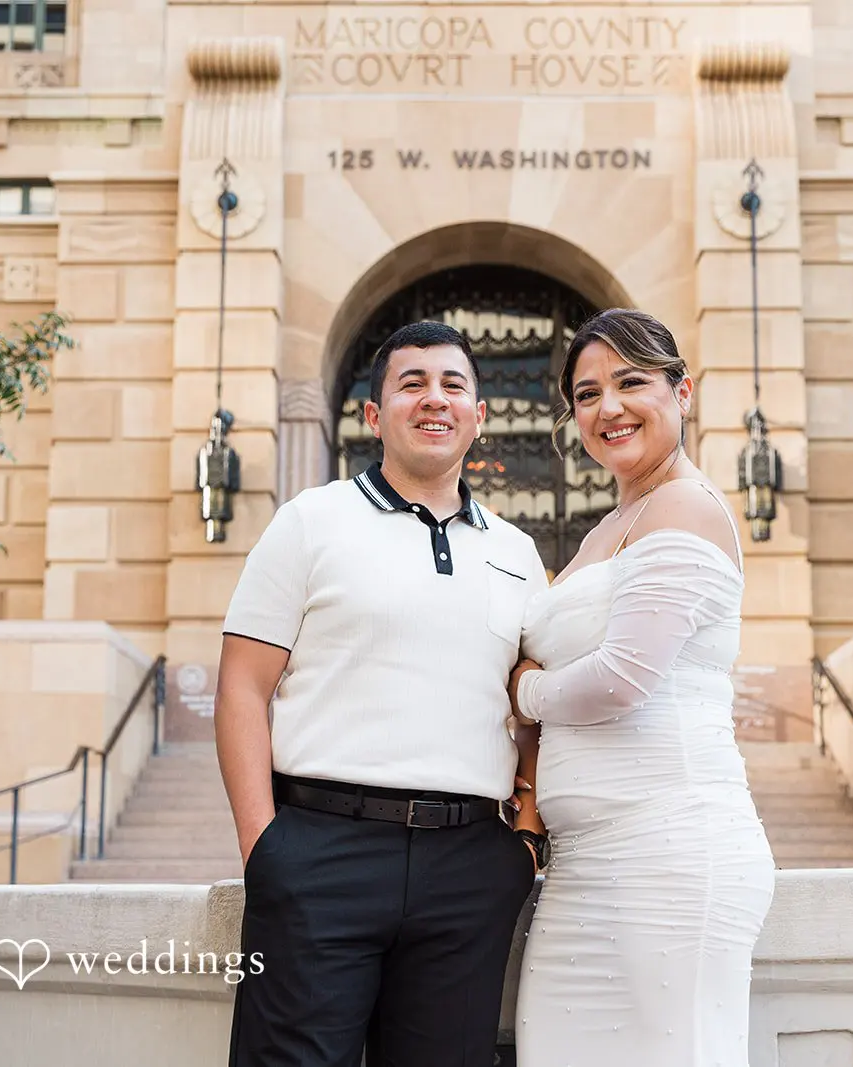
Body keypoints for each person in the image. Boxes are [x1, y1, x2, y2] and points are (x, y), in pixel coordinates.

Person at [214, 320, 550, 1067]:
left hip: (469, 863)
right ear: (374, 415)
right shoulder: (310, 522)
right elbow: (241, 685)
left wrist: (523, 839)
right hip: (319, 849)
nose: (435, 399)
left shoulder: (517, 552)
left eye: (453, 385)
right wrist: (263, 846)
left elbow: (535, 706)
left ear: (479, 413)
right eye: (412, 383)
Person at [507, 307, 776, 1065]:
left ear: (682, 393)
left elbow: (622, 681)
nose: (608, 407)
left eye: (631, 382)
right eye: (587, 394)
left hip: (673, 853)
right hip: (585, 864)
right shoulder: (606, 528)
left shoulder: (686, 505)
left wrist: (524, 691)